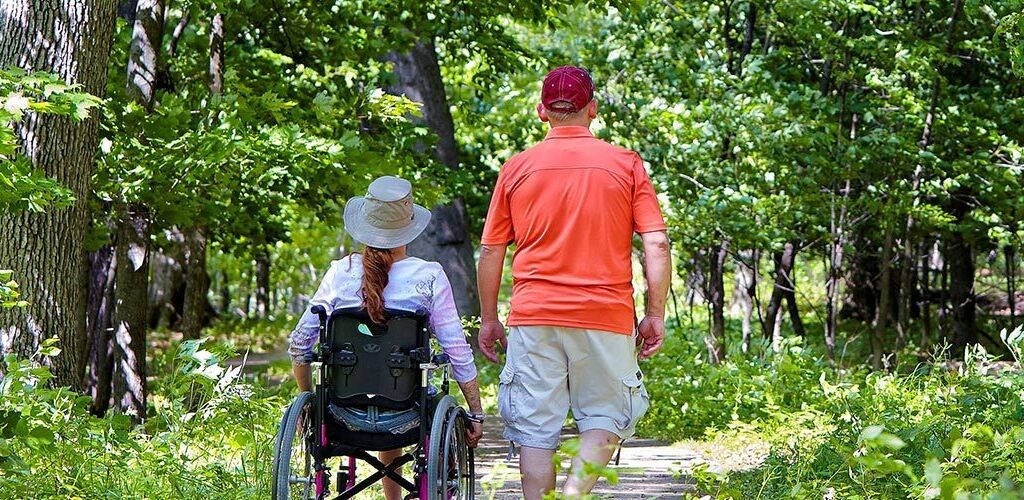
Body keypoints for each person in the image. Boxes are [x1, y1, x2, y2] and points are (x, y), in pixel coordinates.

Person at [477, 66, 672, 499]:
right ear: (593, 109)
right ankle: (573, 493)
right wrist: (654, 314)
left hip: (533, 315)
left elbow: (492, 251)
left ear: (542, 111)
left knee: (533, 431)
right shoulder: (625, 164)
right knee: (604, 418)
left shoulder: (516, 168)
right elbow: (655, 243)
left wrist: (490, 319)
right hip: (605, 315)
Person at [289, 176, 484, 500]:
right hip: (409, 413)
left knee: (382, 384)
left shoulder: (340, 272)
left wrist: (311, 403)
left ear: (366, 223)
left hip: (341, 411)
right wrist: (475, 412)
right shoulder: (429, 275)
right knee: (408, 388)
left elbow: (300, 343)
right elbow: (457, 351)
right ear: (407, 226)